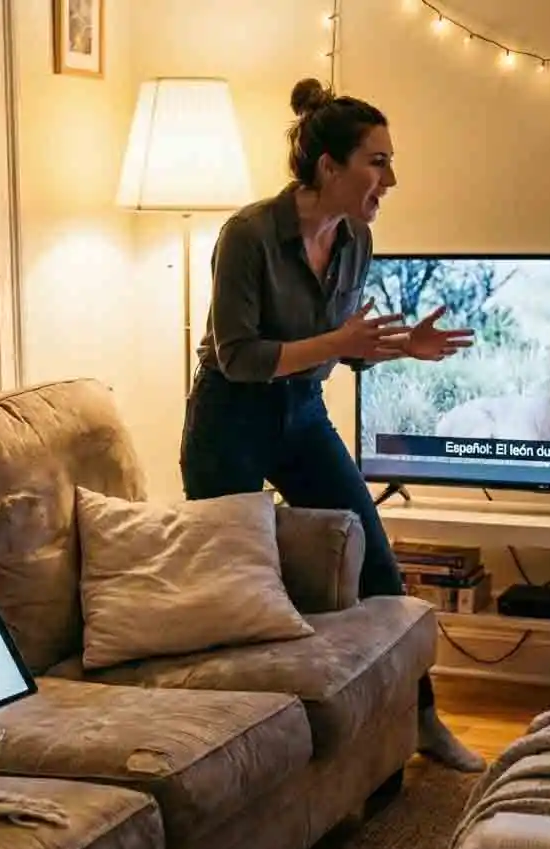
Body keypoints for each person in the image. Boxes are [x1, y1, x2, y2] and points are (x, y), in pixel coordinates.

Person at [180, 77, 485, 773]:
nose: (390, 178)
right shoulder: (249, 235)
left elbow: (339, 346)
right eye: (377, 162)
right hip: (232, 416)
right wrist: (339, 344)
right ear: (329, 167)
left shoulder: (356, 240)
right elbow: (239, 355)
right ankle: (230, 742)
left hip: (302, 416)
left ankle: (422, 720)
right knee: (233, 589)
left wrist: (405, 346)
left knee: (378, 564)